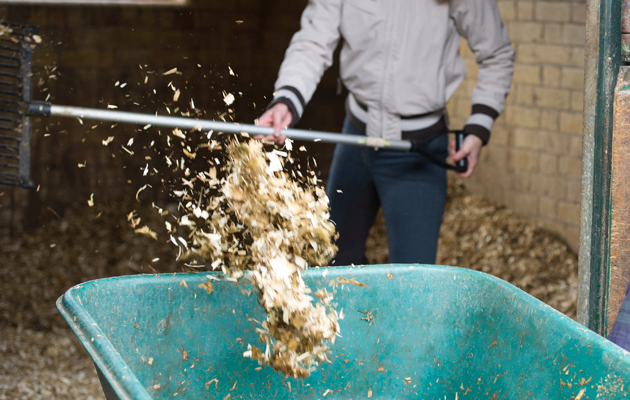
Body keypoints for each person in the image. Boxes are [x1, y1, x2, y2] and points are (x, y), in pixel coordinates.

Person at [257, 0, 515, 265]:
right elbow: (313, 40)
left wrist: (479, 125)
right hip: (356, 137)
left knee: (411, 282)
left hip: (418, 149)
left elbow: (497, 54)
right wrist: (287, 99)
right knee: (329, 257)